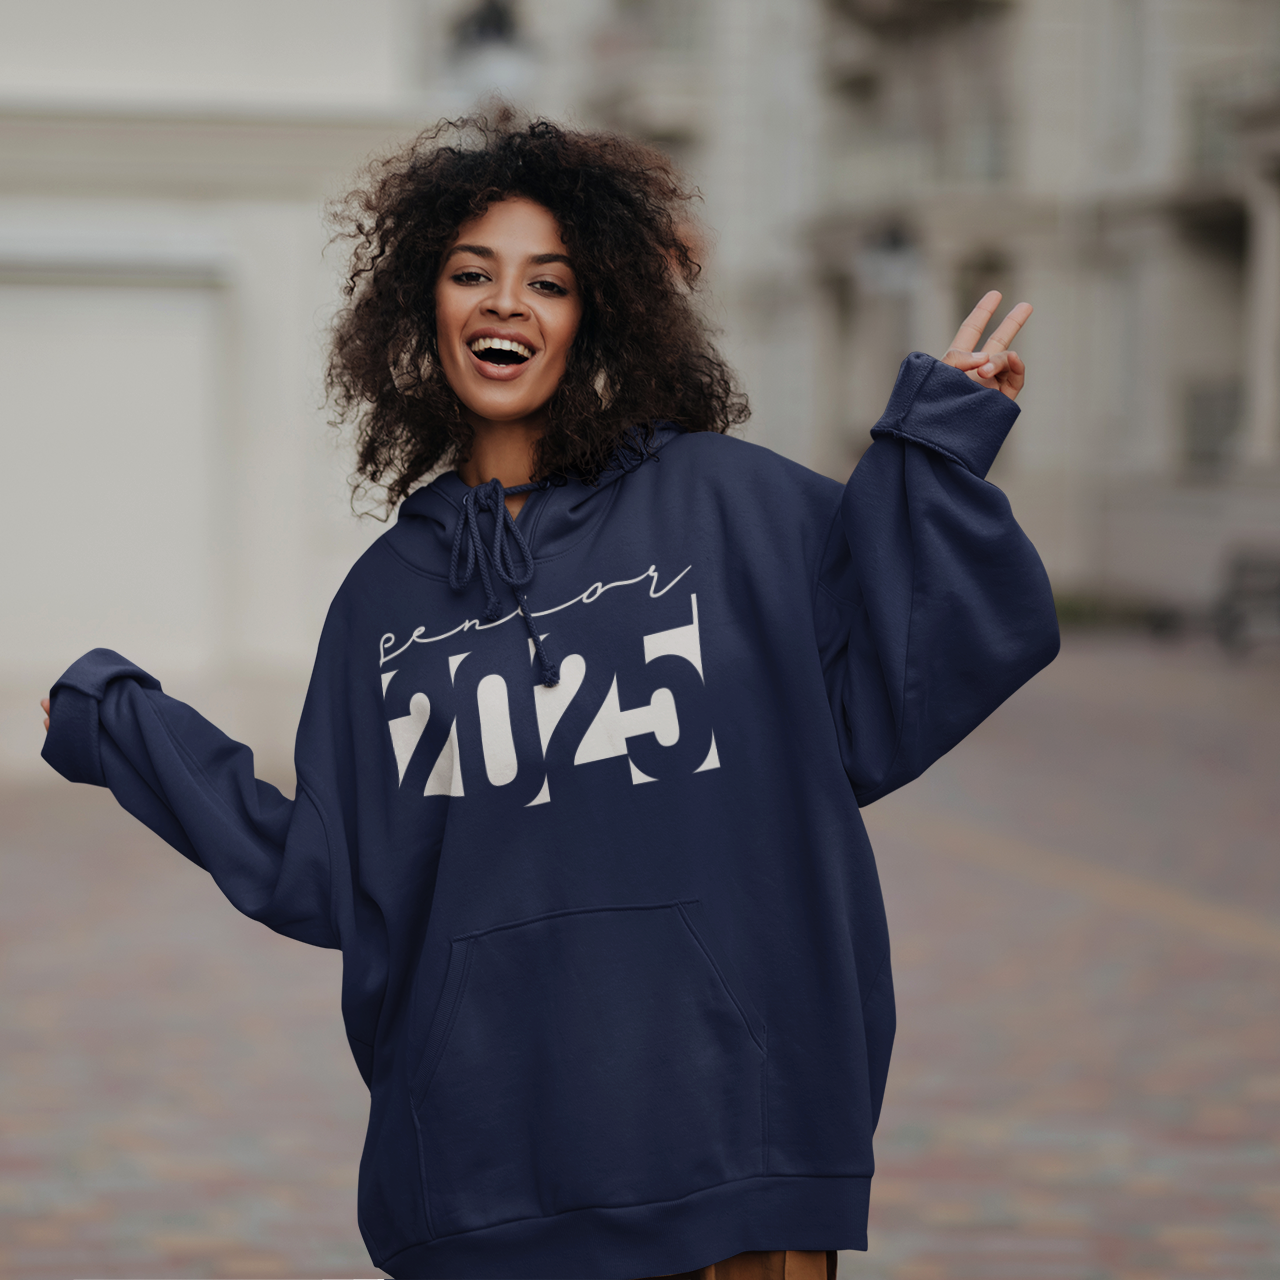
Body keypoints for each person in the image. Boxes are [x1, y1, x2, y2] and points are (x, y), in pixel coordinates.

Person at [40, 115, 1059, 1280]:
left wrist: (935, 447)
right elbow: (326, 872)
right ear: (422, 312)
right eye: (471, 273)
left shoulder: (728, 504)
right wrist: (119, 725)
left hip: (739, 1149)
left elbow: (899, 673)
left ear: (601, 312)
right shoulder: (383, 599)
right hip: (483, 1172)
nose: (504, 304)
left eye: (549, 280)